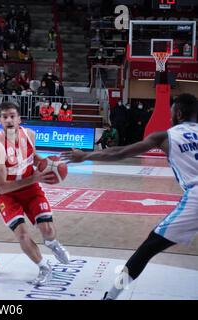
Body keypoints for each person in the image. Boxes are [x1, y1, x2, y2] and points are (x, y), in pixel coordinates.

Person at [61, 93, 198, 300]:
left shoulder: (165, 136)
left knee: (148, 248)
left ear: (178, 113)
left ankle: (110, 296)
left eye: (171, 112)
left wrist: (85, 156)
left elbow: (118, 153)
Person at [0, 102, 71, 285]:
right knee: (23, 235)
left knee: (47, 229)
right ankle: (43, 267)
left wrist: (49, 166)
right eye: (5, 117)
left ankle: (52, 243)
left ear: (19, 119)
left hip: (30, 187)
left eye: (12, 116)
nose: (9, 120)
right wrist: (35, 178)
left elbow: (31, 157)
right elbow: (1, 187)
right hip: (6, 193)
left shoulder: (30, 135)